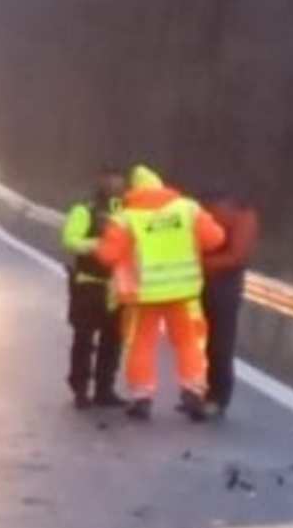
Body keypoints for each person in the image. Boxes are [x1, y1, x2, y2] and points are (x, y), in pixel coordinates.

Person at [95, 164, 228, 421]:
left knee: (141, 344)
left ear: (133, 190)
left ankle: (142, 397)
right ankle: (193, 390)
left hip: (144, 295)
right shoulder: (187, 208)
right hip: (182, 291)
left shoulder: (126, 217)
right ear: (161, 185)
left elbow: (107, 255)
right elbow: (216, 238)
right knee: (188, 342)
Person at [59, 165, 127, 407]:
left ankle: (104, 389)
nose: (113, 184)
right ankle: (80, 388)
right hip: (88, 284)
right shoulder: (84, 209)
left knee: (113, 340)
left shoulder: (129, 212)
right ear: (100, 181)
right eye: (109, 179)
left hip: (117, 287)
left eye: (118, 179)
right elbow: (70, 239)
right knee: (84, 338)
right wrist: (98, 244)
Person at [195, 181, 262, 420]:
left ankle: (216, 396)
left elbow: (236, 257)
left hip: (222, 286)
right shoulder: (241, 214)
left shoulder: (240, 216)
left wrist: (197, 266)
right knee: (202, 343)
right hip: (208, 283)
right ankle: (203, 393)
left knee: (218, 343)